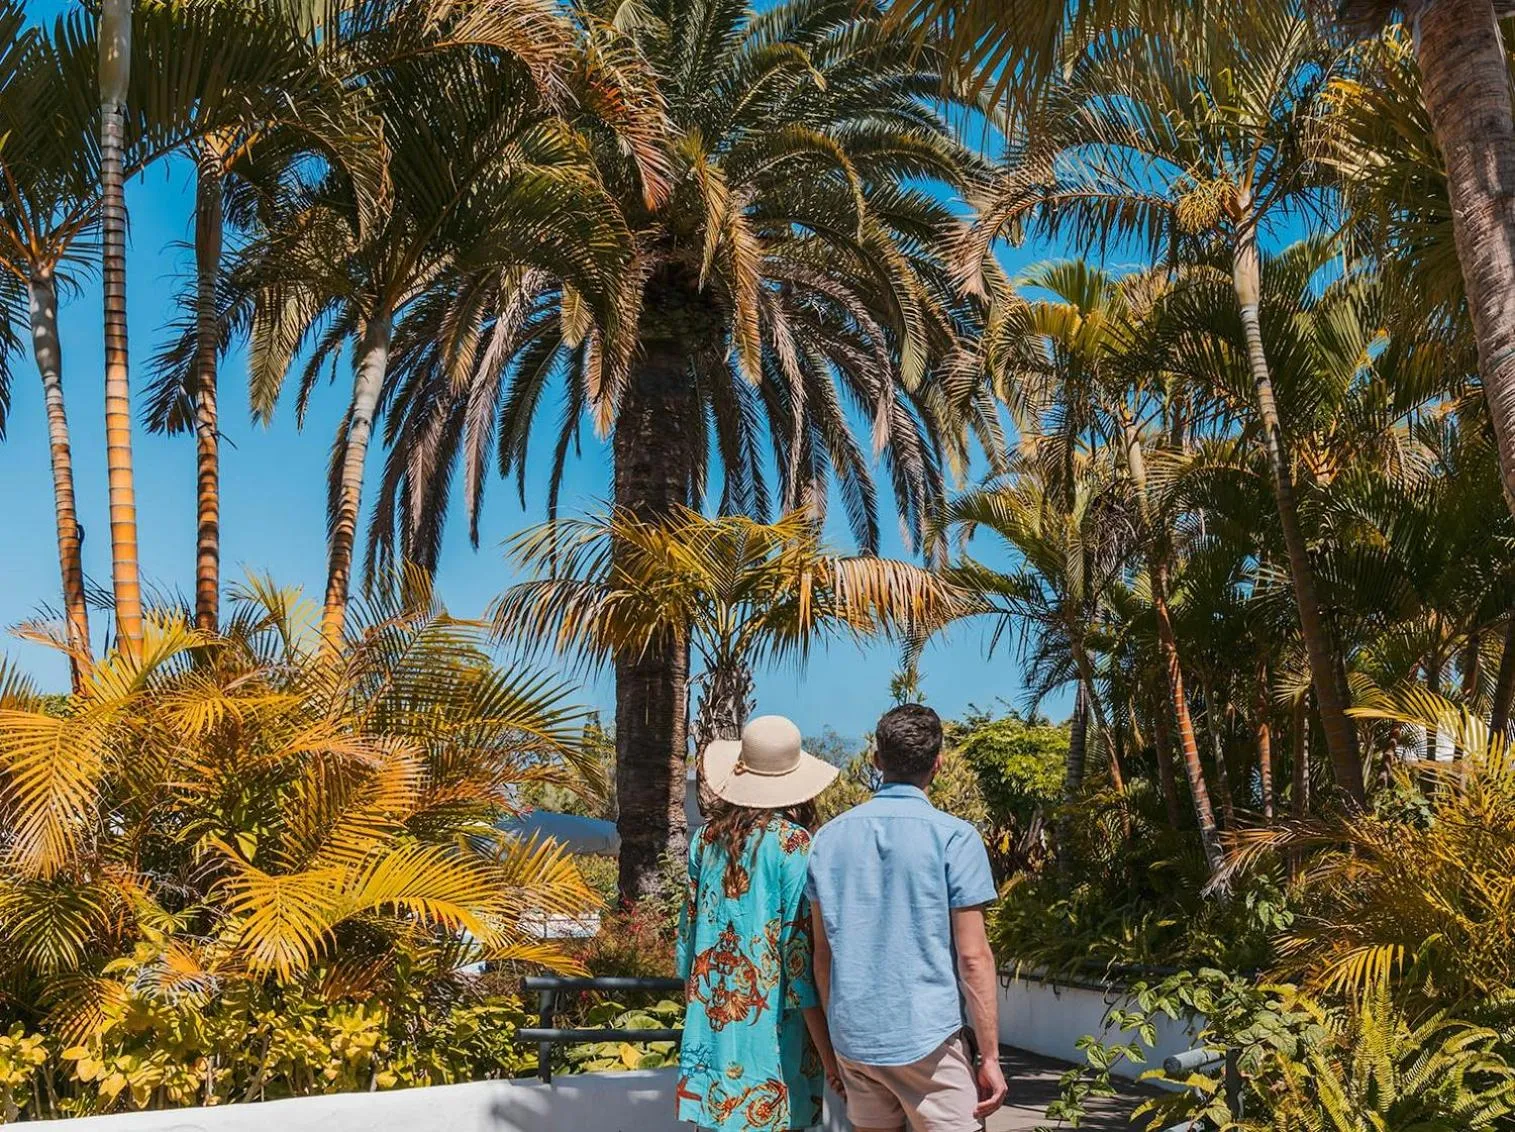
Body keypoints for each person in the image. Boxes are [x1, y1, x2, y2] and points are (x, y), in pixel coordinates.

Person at [806, 704, 1008, 1131]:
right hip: (928, 1040)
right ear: (939, 762)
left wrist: (839, 1039)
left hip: (855, 1040)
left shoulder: (827, 840)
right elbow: (974, 958)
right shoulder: (954, 837)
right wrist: (989, 1056)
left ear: (876, 761)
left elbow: (822, 957)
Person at [676, 714, 844, 1131]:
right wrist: (828, 1055)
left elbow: (688, 939)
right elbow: (800, 963)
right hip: (773, 1040)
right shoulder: (794, 845)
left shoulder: (706, 839)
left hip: (711, 1030)